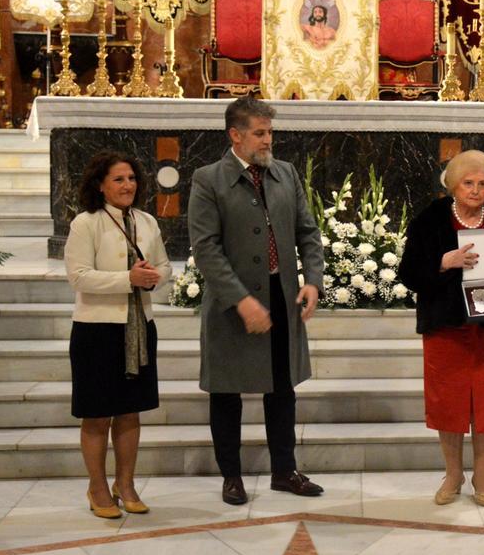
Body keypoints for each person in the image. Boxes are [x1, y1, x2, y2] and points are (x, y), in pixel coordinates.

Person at [187, 96, 327, 505]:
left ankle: (284, 471)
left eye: (270, 132)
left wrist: (312, 281)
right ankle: (231, 476)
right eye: (260, 133)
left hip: (281, 299)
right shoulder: (208, 179)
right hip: (232, 307)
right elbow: (207, 249)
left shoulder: (284, 173)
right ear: (236, 134)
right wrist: (241, 300)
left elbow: (308, 232)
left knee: (282, 390)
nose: (268, 141)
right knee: (226, 394)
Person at [398, 150, 484, 507]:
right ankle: (454, 474)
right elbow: (409, 273)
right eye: (468, 183)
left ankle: (482, 475)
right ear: (453, 185)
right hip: (446, 327)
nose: (475, 190)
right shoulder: (431, 219)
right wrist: (445, 262)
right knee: (449, 405)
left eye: (482, 184)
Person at [65, 152, 171, 519]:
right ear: (100, 184)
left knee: (129, 414)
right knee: (96, 416)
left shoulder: (146, 222)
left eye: (131, 178)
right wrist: (128, 279)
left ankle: (125, 484)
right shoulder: (86, 223)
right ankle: (97, 487)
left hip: (139, 327)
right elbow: (78, 276)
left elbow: (164, 265)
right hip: (97, 331)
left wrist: (154, 276)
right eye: (118, 179)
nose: (128, 185)